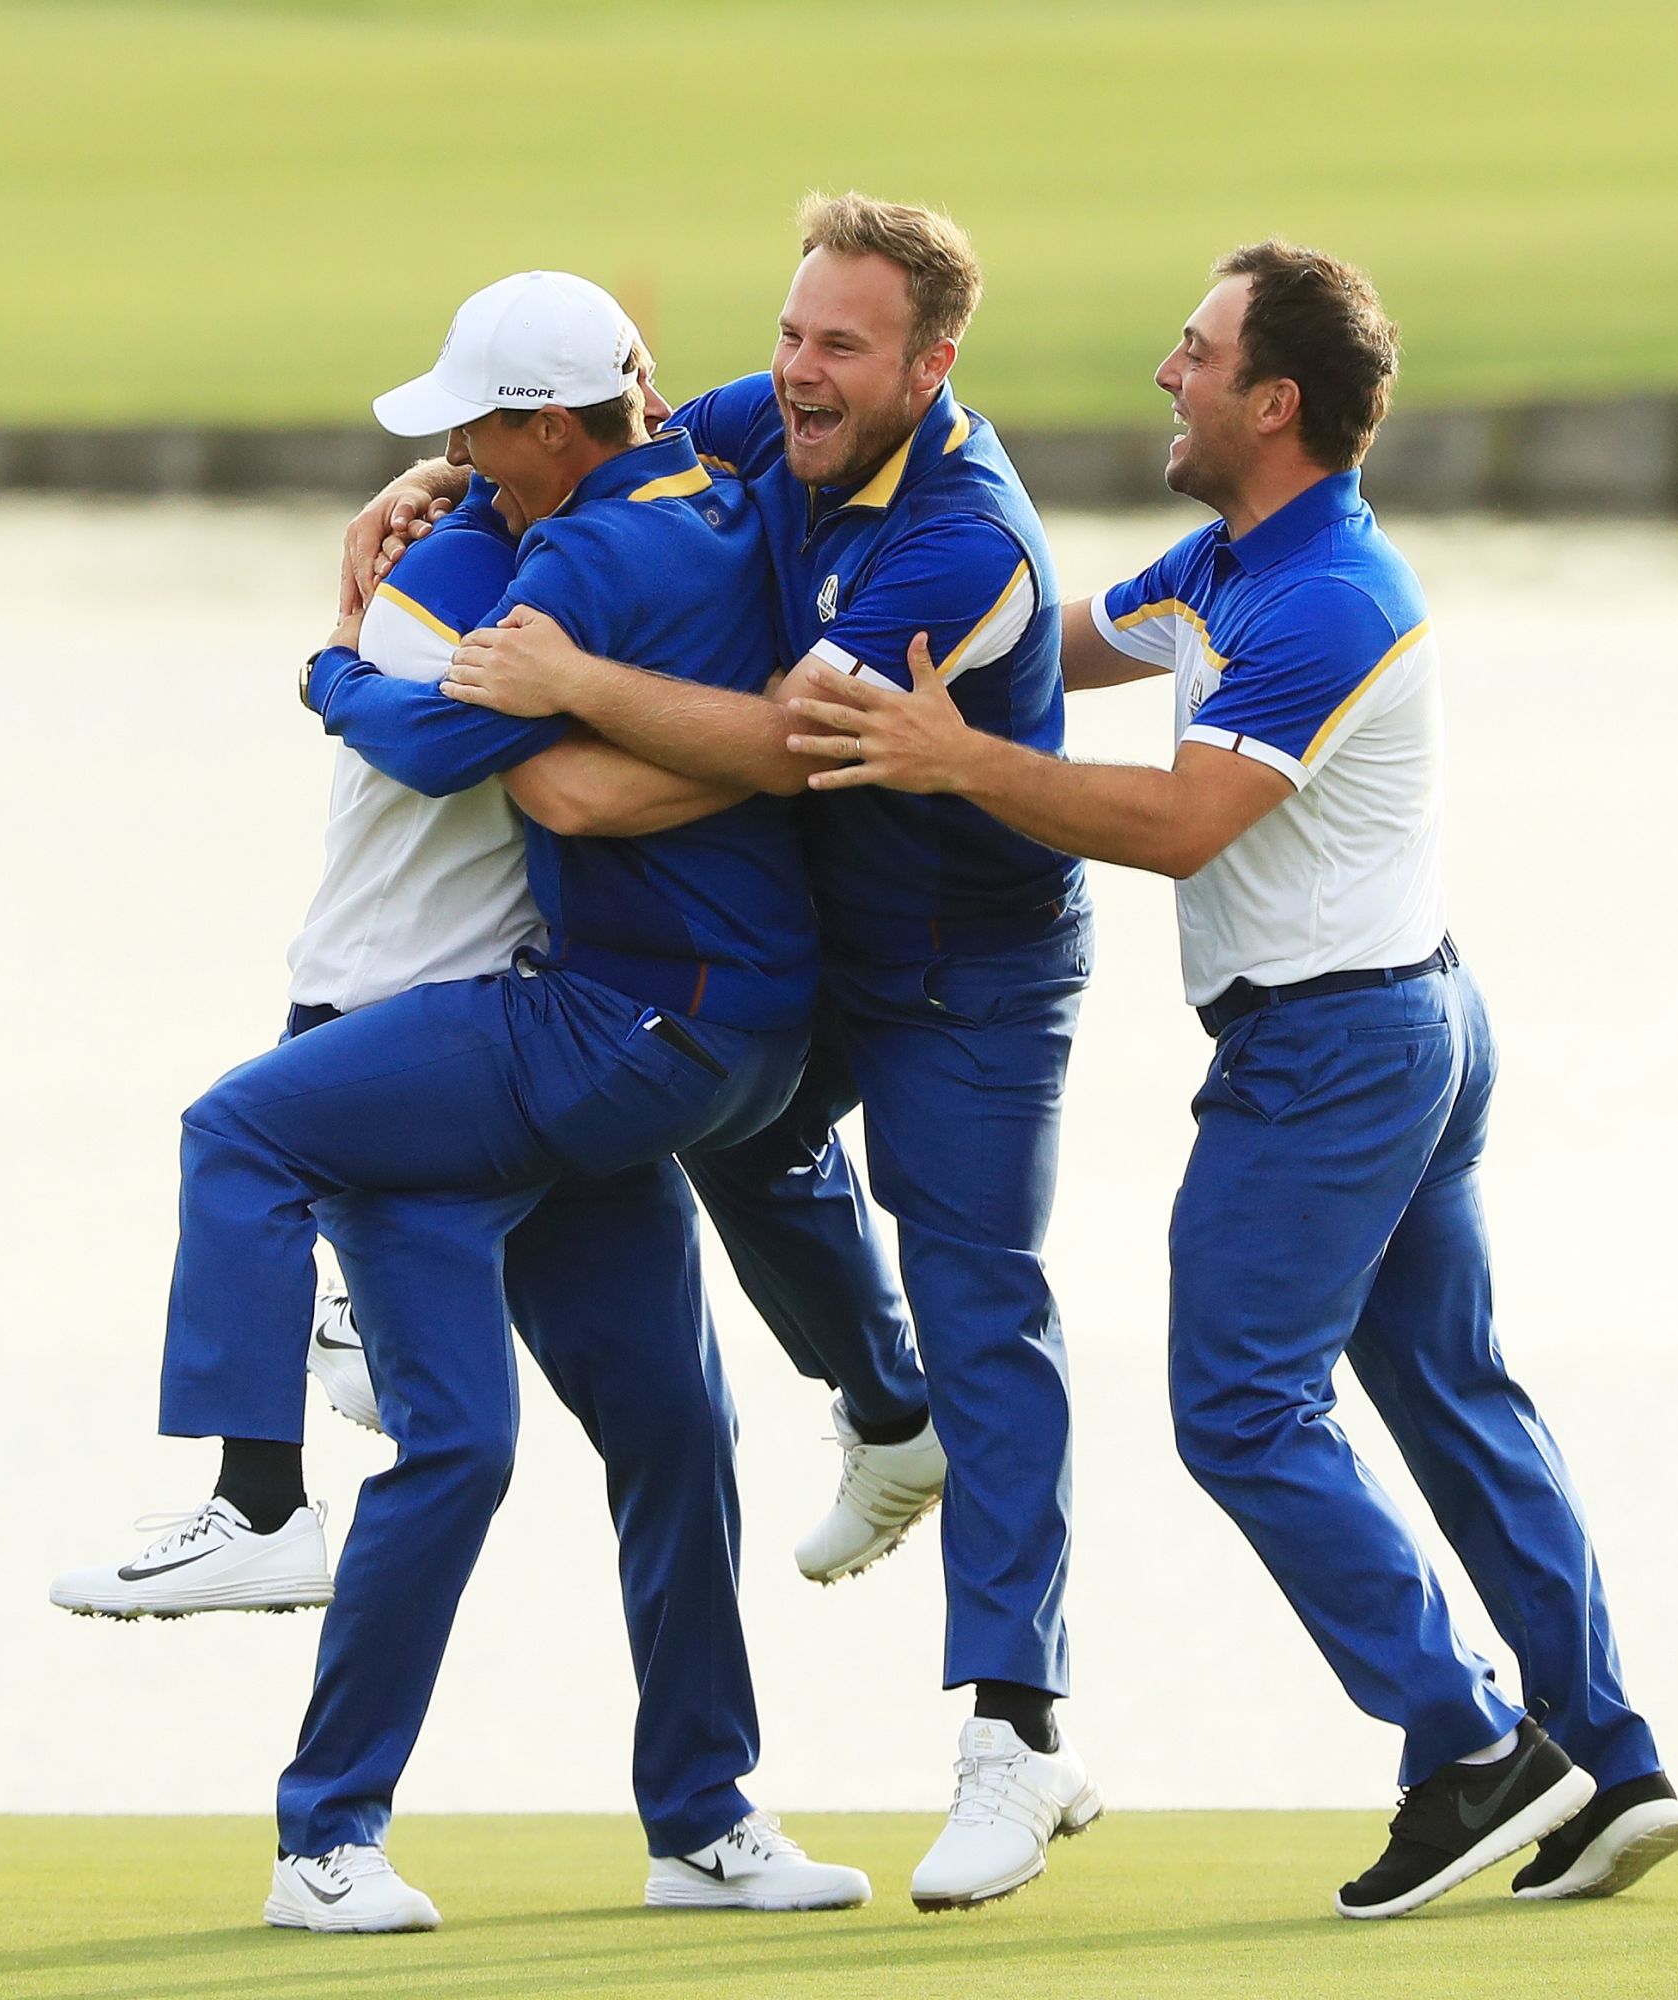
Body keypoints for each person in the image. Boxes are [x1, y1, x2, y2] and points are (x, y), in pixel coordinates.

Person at [781, 238, 1678, 1919]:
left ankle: (1472, 1744)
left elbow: (1184, 821)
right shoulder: (1229, 560)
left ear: (1273, 401)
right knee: (1451, 1398)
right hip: (1406, 1019)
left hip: (1336, 1052)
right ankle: (1611, 1763)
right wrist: (921, 635)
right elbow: (1057, 636)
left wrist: (953, 759)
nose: (1163, 374)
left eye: (1193, 354)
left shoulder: (1323, 594)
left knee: (1240, 1408)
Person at [60, 272, 869, 1928]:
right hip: (397, 1041)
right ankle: (322, 1833)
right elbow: (464, 752)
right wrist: (336, 647)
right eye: (446, 441)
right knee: (465, 1449)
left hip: (542, 1034)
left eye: (476, 427)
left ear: (563, 424)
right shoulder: (443, 579)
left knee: (676, 1429)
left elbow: (701, 423)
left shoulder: (609, 523)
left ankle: (702, 1817)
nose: (449, 453)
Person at [401, 194, 1100, 1909]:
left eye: (840, 347)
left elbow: (799, 739)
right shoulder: (769, 421)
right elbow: (601, 457)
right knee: (734, 1132)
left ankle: (1016, 1737)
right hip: (823, 941)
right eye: (791, 331)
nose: (795, 371)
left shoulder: (964, 538)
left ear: (930, 368)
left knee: (984, 1297)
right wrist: (428, 490)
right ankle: (882, 1411)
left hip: (971, 971)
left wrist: (565, 679)